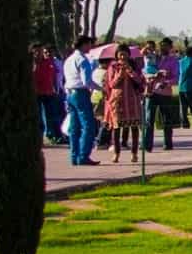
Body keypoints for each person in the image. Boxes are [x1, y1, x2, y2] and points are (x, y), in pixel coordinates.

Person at [102, 45, 147, 162]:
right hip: (118, 101)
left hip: (132, 100)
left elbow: (140, 81)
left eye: (124, 54)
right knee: (117, 128)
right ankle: (116, 153)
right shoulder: (113, 67)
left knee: (134, 126)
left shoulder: (134, 66)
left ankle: (134, 153)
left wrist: (130, 71)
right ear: (117, 55)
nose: (122, 56)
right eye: (120, 54)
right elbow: (111, 84)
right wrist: (120, 74)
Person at [62, 37, 101, 165]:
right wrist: (101, 89)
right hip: (80, 93)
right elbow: (87, 81)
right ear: (84, 44)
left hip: (70, 93)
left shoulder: (69, 59)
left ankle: (74, 156)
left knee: (75, 127)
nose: (90, 47)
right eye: (89, 44)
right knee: (88, 125)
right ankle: (83, 156)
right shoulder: (83, 60)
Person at [142, 38, 181, 152]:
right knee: (149, 119)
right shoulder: (153, 58)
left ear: (170, 47)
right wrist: (153, 75)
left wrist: (166, 82)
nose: (163, 48)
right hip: (151, 91)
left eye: (166, 46)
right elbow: (144, 71)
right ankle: (147, 144)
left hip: (165, 92)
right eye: (162, 45)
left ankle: (168, 143)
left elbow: (176, 77)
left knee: (167, 119)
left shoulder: (173, 61)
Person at [33, 46, 66, 145]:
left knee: (52, 116)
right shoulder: (34, 64)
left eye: (40, 52)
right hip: (37, 93)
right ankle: (43, 136)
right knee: (40, 117)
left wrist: (56, 88)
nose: (41, 54)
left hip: (49, 93)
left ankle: (54, 135)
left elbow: (55, 78)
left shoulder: (50, 63)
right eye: (38, 52)